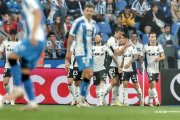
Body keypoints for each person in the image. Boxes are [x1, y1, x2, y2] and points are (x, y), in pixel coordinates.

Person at [0, 0, 46, 110]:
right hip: (38, 39)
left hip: (34, 39)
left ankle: (17, 88)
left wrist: (34, 34)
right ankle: (32, 101)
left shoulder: (28, 1)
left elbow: (38, 14)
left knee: (11, 57)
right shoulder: (24, 6)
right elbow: (42, 20)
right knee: (25, 71)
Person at [65, 3, 97, 107]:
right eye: (87, 10)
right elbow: (70, 37)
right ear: (84, 11)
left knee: (89, 75)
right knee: (84, 76)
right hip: (79, 52)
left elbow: (91, 38)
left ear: (93, 12)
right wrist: (68, 51)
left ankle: (81, 100)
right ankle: (81, 100)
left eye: (91, 11)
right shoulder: (78, 22)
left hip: (89, 52)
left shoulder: (93, 24)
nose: (89, 12)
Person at [93, 33, 116, 106]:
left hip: (103, 68)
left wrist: (118, 64)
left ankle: (100, 103)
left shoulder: (105, 47)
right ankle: (100, 101)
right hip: (95, 69)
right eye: (95, 38)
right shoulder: (92, 48)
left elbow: (112, 55)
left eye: (98, 37)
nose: (96, 39)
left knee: (102, 84)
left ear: (101, 39)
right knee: (97, 86)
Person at [143, 32, 165, 106]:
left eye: (154, 36)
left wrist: (159, 58)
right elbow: (140, 56)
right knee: (153, 83)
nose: (153, 38)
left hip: (156, 69)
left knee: (152, 86)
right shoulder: (146, 47)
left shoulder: (159, 46)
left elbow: (163, 56)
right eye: (152, 37)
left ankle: (149, 101)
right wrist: (141, 64)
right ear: (149, 38)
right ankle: (157, 101)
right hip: (149, 68)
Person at [120, 34, 143, 106]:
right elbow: (124, 57)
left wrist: (129, 63)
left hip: (132, 69)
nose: (122, 40)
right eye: (121, 38)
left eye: (123, 38)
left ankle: (141, 100)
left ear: (127, 39)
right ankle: (126, 102)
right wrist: (121, 65)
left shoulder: (132, 47)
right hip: (125, 70)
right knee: (125, 84)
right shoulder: (123, 48)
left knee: (136, 86)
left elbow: (136, 57)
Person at [0, 29, 19, 105]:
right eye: (12, 35)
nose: (13, 37)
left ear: (16, 35)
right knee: (5, 83)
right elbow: (1, 52)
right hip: (8, 65)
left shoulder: (20, 43)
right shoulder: (5, 43)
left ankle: (12, 99)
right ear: (10, 35)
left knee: (16, 83)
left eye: (14, 35)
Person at [65, 41, 82, 106]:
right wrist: (66, 62)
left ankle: (78, 100)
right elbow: (68, 53)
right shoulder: (73, 43)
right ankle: (75, 98)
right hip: (72, 66)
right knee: (69, 82)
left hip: (78, 65)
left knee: (77, 83)